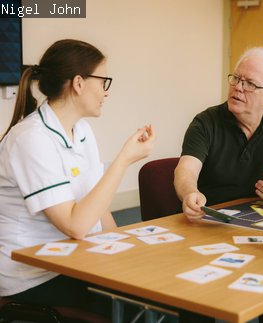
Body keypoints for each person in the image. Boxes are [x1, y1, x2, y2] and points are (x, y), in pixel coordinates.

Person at [0, 39, 155, 318]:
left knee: (153, 285)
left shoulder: (81, 130)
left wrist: (125, 248)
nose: (106, 92)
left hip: (76, 259)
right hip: (31, 275)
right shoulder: (31, 139)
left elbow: (97, 205)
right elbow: (76, 225)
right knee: (139, 305)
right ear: (79, 83)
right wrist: (123, 160)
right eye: (103, 81)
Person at [174, 47, 263, 322]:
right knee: (200, 294)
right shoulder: (205, 122)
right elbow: (185, 170)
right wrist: (190, 192)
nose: (238, 88)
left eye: (250, 83)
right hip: (210, 223)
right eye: (236, 79)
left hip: (258, 221)